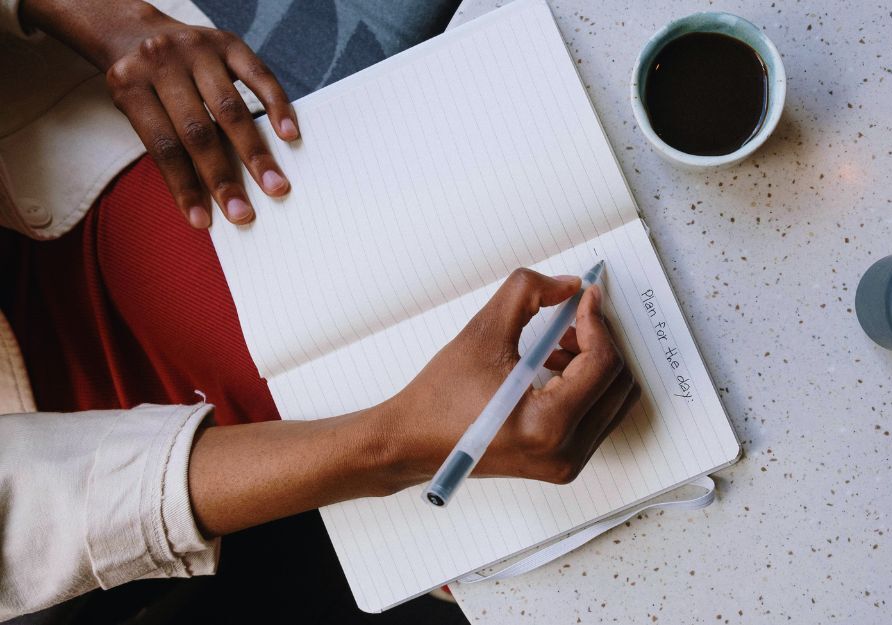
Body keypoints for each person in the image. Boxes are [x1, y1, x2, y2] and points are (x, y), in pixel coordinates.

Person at [0, 0, 638, 620]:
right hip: (102, 477)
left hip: (78, 159)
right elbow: (24, 520)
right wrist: (385, 447)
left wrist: (97, 13)